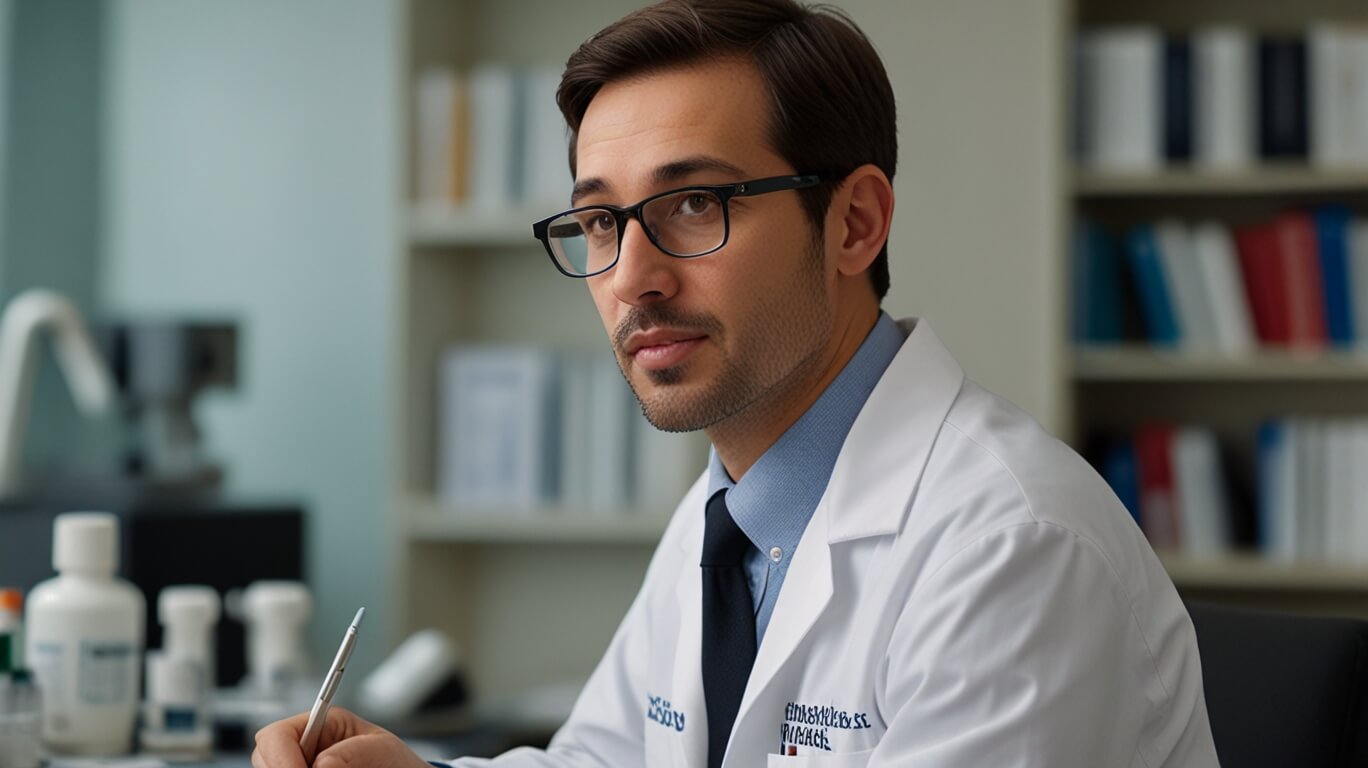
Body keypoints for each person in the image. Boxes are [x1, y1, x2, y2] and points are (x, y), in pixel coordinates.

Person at [254, 1, 1221, 766]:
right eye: (600, 224)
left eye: (693, 204)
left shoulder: (1013, 549)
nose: (632, 275)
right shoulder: (732, 513)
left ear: (853, 224)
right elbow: (608, 760)